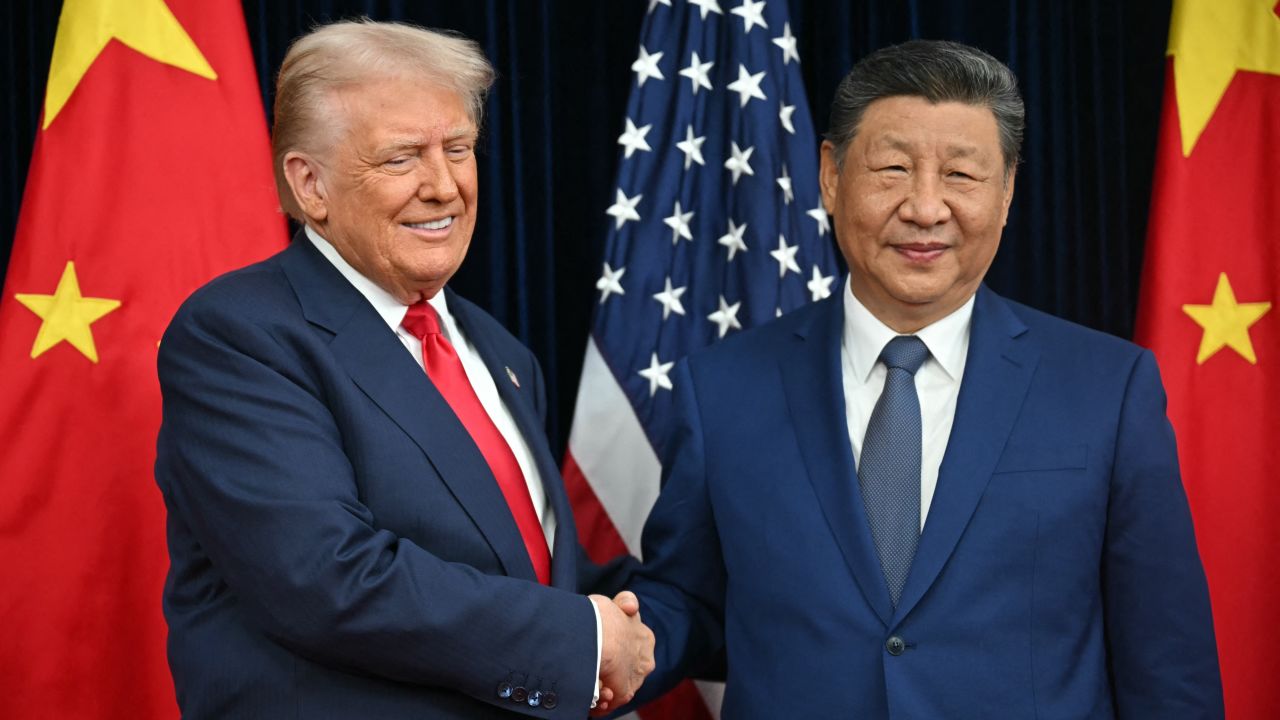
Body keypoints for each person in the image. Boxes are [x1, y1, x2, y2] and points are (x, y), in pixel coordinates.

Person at [622, 40, 1223, 718]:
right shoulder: (723, 388)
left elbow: (1168, 665)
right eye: (894, 169)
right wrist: (600, 649)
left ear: (1007, 191)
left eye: (962, 176)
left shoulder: (1107, 389)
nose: (926, 208)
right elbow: (690, 605)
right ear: (830, 175)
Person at [155, 20, 652, 719]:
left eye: (458, 149)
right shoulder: (239, 334)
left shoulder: (503, 356)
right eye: (401, 159)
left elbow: (516, 566)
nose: (443, 185)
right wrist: (583, 637)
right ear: (310, 185)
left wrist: (654, 613)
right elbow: (326, 578)